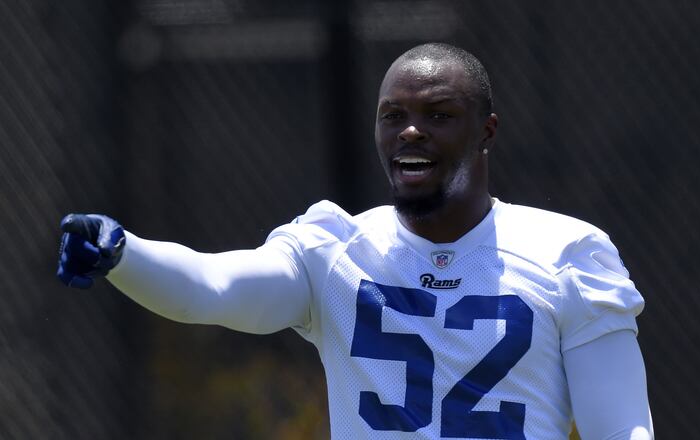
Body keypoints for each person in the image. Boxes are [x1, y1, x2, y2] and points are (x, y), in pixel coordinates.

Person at [57, 43, 653, 439]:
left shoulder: (567, 253)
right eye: (393, 115)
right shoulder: (334, 250)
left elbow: (623, 429)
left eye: (438, 113)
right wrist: (123, 253)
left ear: (485, 131)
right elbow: (212, 288)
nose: (411, 129)